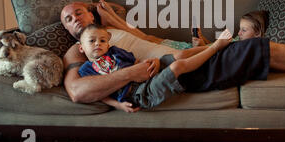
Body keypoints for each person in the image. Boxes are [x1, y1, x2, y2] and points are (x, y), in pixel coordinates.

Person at [61, 0, 285, 104]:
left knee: (267, 59)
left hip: (180, 58)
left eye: (78, 12)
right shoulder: (75, 54)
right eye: (67, 18)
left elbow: (144, 35)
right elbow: (77, 91)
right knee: (260, 49)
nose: (74, 18)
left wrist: (114, 18)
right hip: (179, 71)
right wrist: (132, 73)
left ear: (91, 14)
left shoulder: (108, 31)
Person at [76, 23, 233, 112]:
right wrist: (118, 105)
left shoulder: (115, 52)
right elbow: (98, 93)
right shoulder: (86, 69)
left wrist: (152, 63)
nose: (98, 43)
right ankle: (216, 47)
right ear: (81, 48)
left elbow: (135, 61)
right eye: (92, 41)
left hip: (145, 74)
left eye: (102, 40)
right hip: (139, 93)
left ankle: (216, 45)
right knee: (178, 66)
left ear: (108, 44)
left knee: (180, 55)